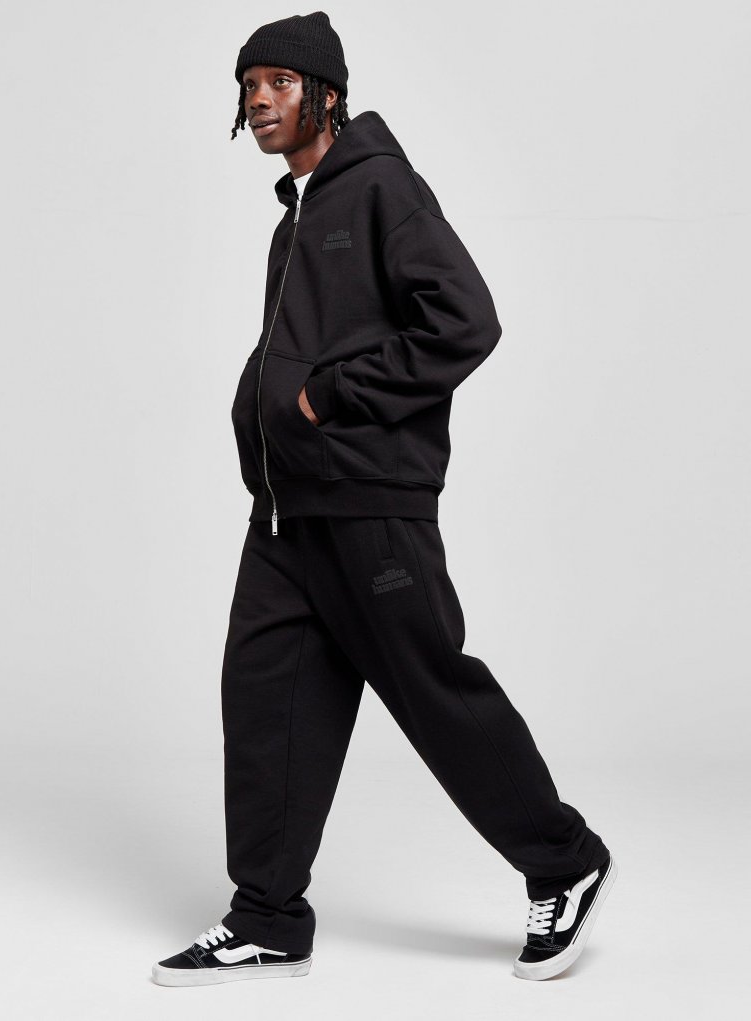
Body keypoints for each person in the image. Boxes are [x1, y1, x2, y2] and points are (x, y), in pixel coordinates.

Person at [152, 10, 616, 988]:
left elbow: (464, 319)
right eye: (248, 86)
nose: (259, 100)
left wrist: (330, 398)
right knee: (264, 699)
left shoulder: (378, 188)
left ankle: (563, 859)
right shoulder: (297, 214)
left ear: (325, 93)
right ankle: (267, 917)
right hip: (286, 510)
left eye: (278, 82)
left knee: (433, 692)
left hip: (366, 502)